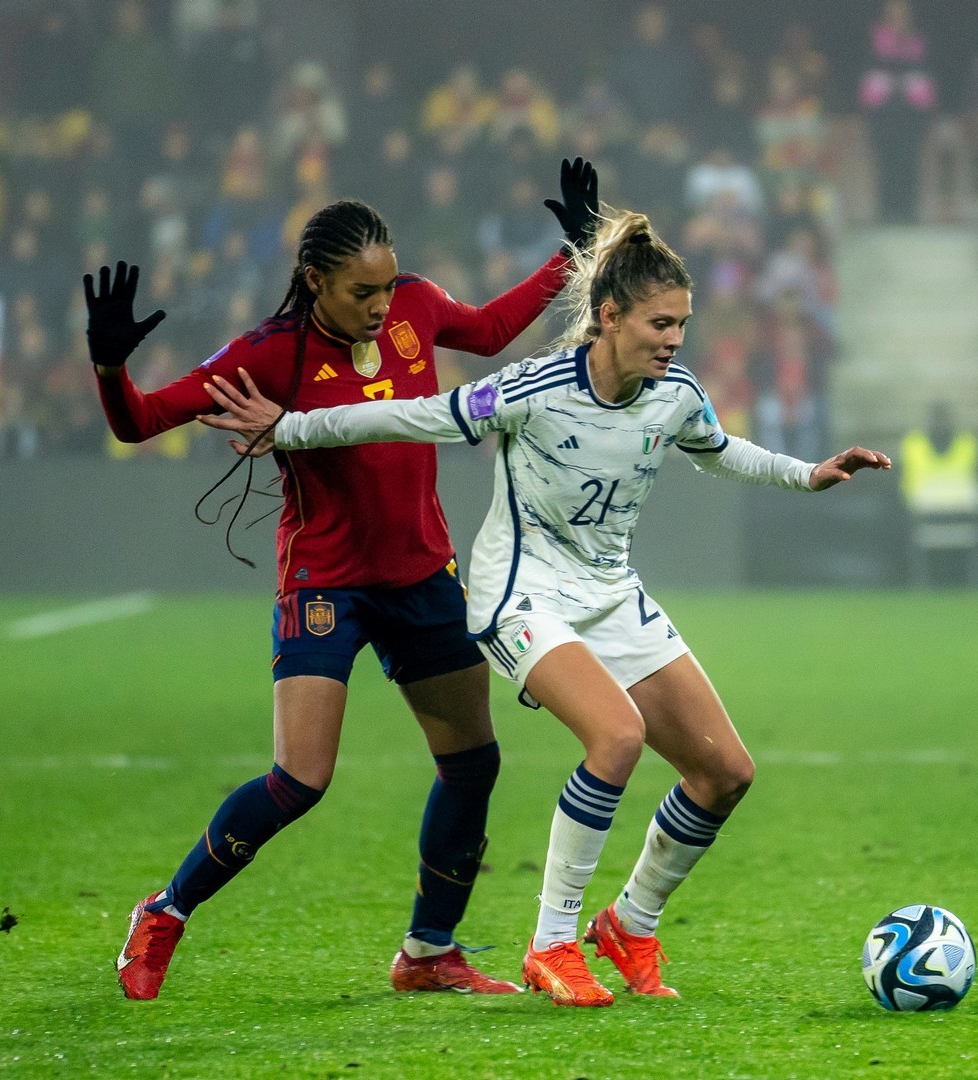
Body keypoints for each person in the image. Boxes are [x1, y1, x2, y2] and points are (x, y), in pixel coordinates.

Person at [198, 209, 891, 1006]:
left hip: (608, 592)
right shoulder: (537, 387)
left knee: (724, 772)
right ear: (609, 316)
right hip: (517, 592)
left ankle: (629, 924)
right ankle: (552, 944)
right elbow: (416, 414)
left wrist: (809, 473)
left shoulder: (674, 396)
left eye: (682, 325)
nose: (673, 340)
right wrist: (291, 427)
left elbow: (719, 447)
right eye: (659, 324)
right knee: (617, 736)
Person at [88, 159, 602, 1000]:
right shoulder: (267, 353)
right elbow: (141, 422)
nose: (380, 306)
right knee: (300, 779)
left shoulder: (414, 306)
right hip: (327, 583)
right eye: (362, 292)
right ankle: (165, 912)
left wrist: (571, 254)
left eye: (388, 287)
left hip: (420, 575)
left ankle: (429, 952)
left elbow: (491, 326)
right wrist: (111, 371)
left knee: (472, 763)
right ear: (314, 281)